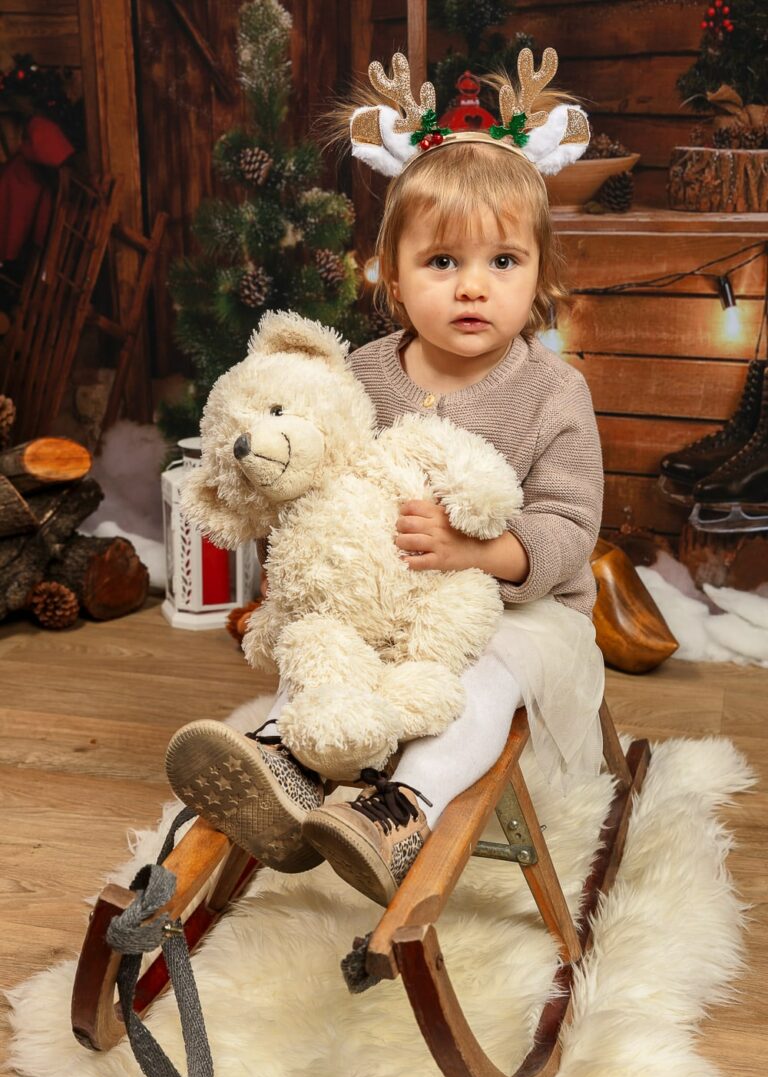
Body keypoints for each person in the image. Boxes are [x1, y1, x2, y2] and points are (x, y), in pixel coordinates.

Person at [165, 49, 605, 907]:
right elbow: (311, 471)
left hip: (515, 610)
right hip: (374, 594)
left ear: (540, 277)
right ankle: (290, 764)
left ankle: (403, 806)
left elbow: (568, 521)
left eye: (503, 263)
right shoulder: (363, 374)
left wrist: (484, 552)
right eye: (443, 263)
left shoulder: (555, 391)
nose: (473, 288)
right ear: (393, 278)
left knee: (473, 689)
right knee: (317, 647)